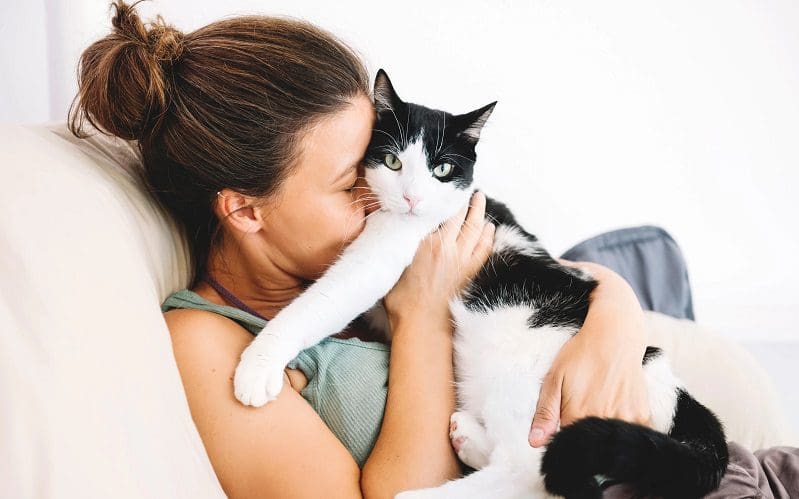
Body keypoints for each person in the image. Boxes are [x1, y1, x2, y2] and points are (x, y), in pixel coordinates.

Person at [68, 1, 799, 498]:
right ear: (244, 208)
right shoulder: (207, 340)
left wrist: (617, 317)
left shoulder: (355, 251)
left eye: (374, 161)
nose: (380, 194)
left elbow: (567, 279)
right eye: (345, 182)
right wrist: (420, 317)